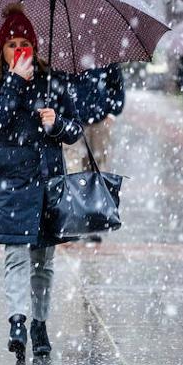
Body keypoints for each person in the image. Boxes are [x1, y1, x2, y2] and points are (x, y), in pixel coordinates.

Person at [0, 4, 82, 360]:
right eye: (11, 43)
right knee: (15, 255)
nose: (19, 49)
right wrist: (13, 83)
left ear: (35, 46)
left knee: (43, 259)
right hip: (11, 179)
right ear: (1, 49)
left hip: (48, 177)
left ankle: (39, 323)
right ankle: (17, 321)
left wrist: (56, 124)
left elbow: (74, 129)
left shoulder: (54, 80)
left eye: (25, 42)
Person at [67, 64, 125, 242]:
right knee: (73, 169)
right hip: (72, 120)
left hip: (99, 120)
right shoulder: (66, 53)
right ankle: (75, 219)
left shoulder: (105, 55)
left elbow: (117, 85)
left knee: (96, 171)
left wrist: (112, 112)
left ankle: (93, 221)